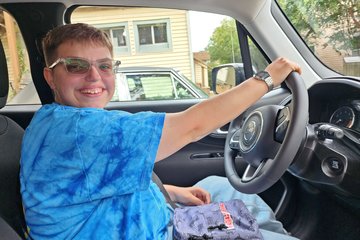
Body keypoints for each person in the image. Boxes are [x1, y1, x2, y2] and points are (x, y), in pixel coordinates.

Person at [20, 23, 301, 240]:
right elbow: (193, 125)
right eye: (76, 66)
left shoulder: (51, 120)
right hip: (155, 232)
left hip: (145, 218)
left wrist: (170, 191)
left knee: (223, 186)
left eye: (104, 65)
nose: (94, 76)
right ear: (50, 76)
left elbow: (83, 190)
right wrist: (266, 78)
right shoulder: (82, 131)